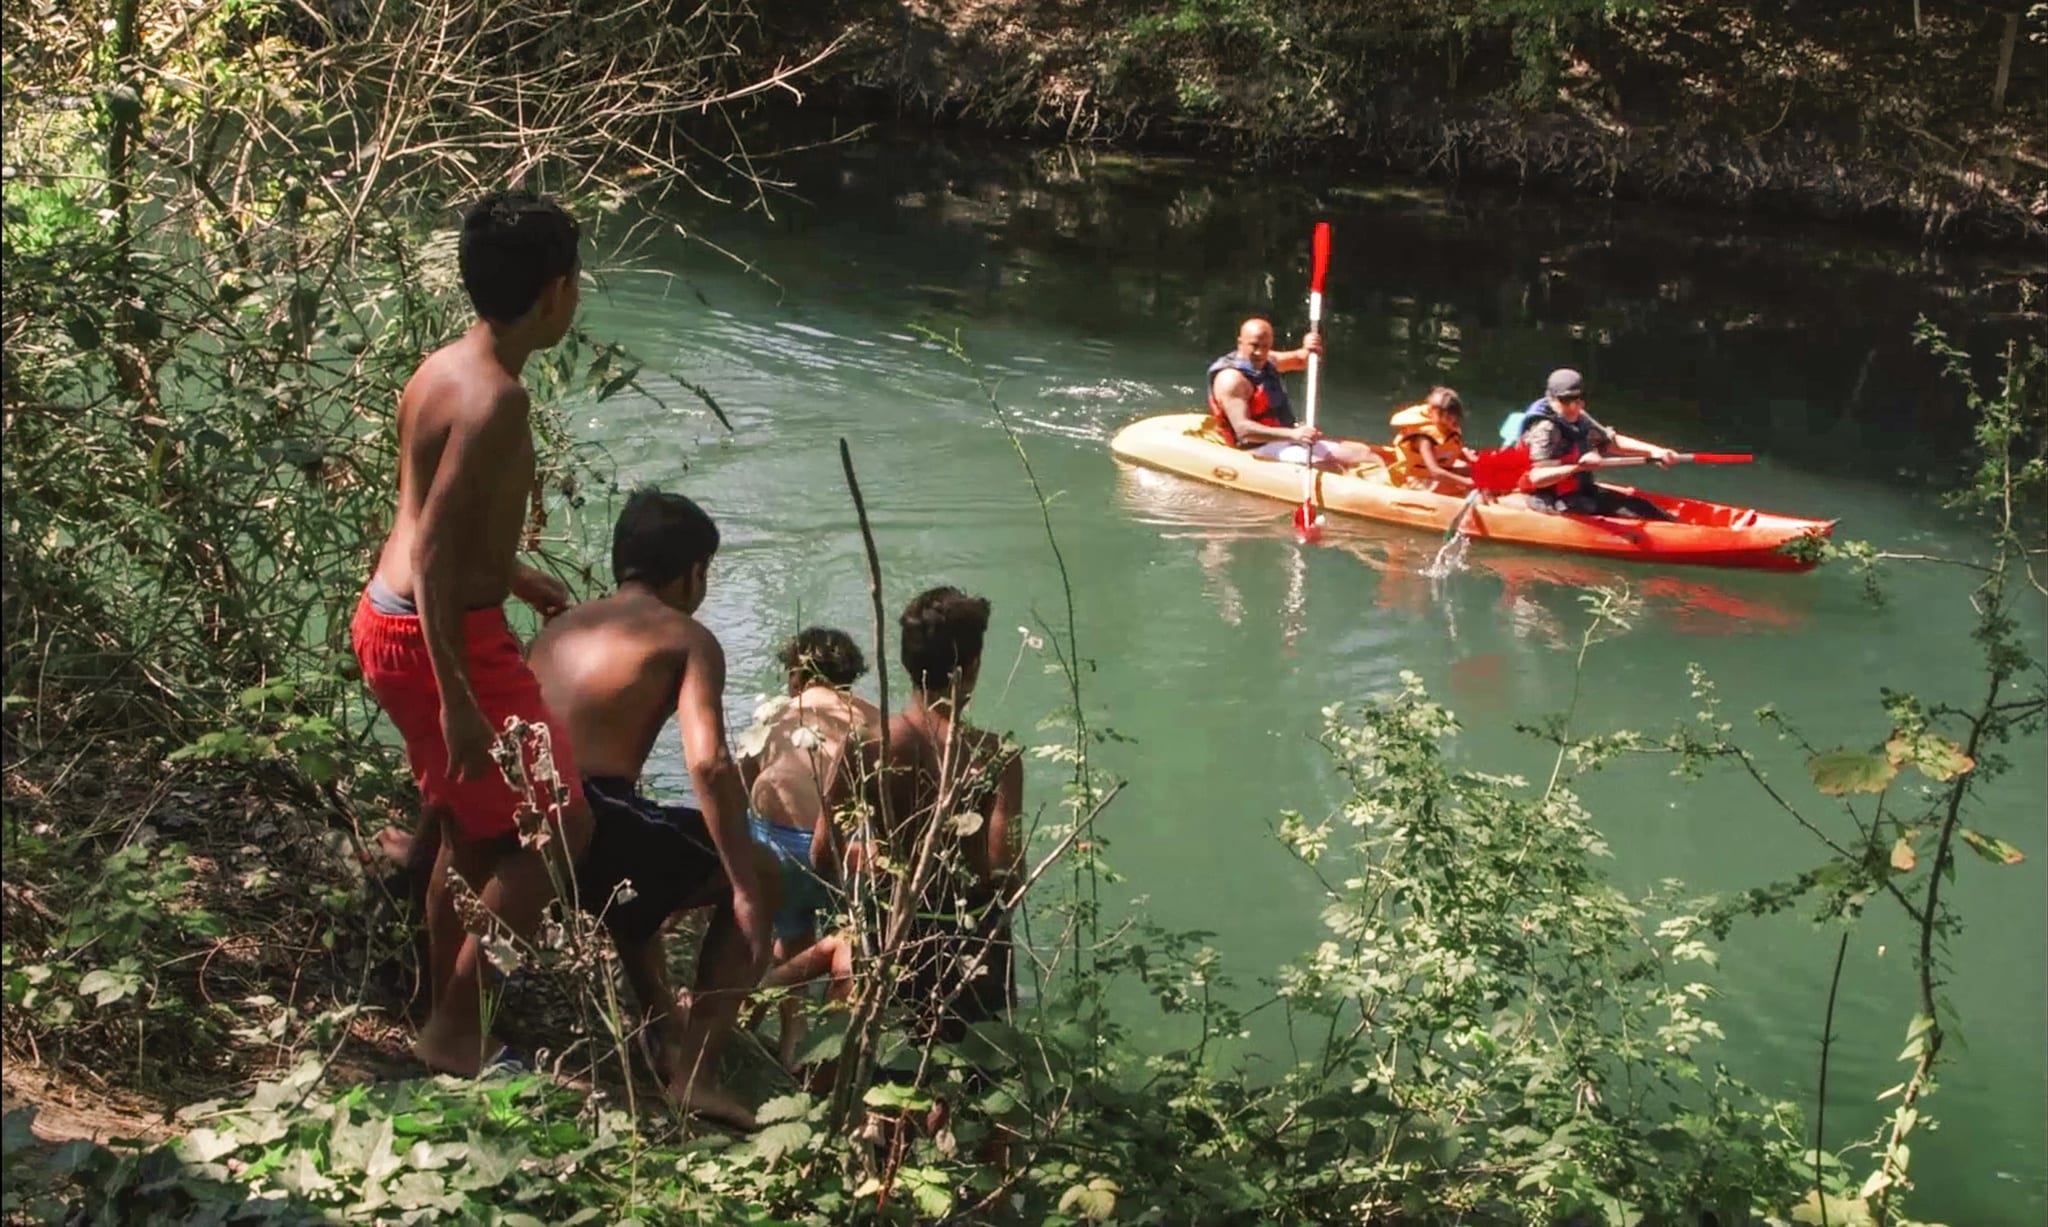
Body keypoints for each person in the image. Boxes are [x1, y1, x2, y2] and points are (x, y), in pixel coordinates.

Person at [351, 189, 594, 1078]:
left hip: (395, 618)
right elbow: (441, 551)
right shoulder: (497, 401)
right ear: (555, 293)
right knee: (560, 827)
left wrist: (516, 574)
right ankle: (459, 1028)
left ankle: (436, 1013)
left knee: (473, 830)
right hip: (442, 636)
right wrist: (459, 697)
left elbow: (427, 520)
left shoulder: (444, 367)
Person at [524, 489, 778, 1129]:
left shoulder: (562, 624)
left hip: (529, 816)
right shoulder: (687, 636)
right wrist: (744, 880)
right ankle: (696, 1077)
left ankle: (662, 1022)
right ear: (693, 572)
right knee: (763, 873)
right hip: (594, 815)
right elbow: (708, 764)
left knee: (647, 842)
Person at [738, 626, 879, 1066]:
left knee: (793, 933)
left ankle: (791, 1033)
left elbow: (745, 777)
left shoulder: (776, 714)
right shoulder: (872, 717)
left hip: (779, 846)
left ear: (796, 674)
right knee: (850, 941)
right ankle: (834, 1046)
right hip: (845, 849)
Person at [1505, 369, 1679, 520]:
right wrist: (1578, 467)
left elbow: (1611, 442)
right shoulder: (1546, 428)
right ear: (1551, 399)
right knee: (1620, 511)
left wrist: (1655, 452)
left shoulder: (1578, 415)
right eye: (1566, 400)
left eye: (1579, 399)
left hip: (1578, 490)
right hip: (1547, 498)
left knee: (1643, 509)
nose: (1574, 406)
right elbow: (1538, 478)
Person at [1206, 317, 1377, 471]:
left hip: (1284, 437)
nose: (1259, 352)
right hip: (1256, 446)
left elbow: (1301, 360)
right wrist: (1294, 434)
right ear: (1240, 343)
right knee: (1332, 469)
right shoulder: (1231, 380)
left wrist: (1310, 346)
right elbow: (1244, 431)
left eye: (1265, 346)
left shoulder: (1268, 360)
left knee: (1365, 456)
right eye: (1254, 346)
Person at [1388, 386, 1475, 489]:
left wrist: (1470, 457)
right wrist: (1468, 483)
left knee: (1476, 471)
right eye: (1441, 416)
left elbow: (1448, 452)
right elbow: (1435, 472)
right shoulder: (1423, 438)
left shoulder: (1449, 428)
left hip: (1439, 471)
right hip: (1415, 478)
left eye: (1451, 417)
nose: (1446, 421)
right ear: (1430, 411)